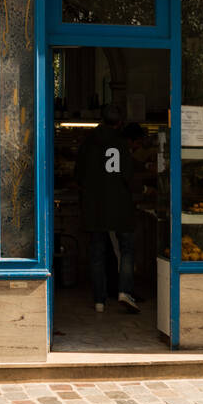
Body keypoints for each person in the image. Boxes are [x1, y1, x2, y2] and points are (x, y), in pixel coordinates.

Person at [75, 103, 139, 313]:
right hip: (120, 204)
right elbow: (128, 176)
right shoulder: (121, 144)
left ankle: (99, 301)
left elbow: (78, 176)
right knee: (127, 248)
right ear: (119, 123)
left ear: (100, 120)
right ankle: (124, 291)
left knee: (97, 253)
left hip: (95, 205)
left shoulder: (88, 142)